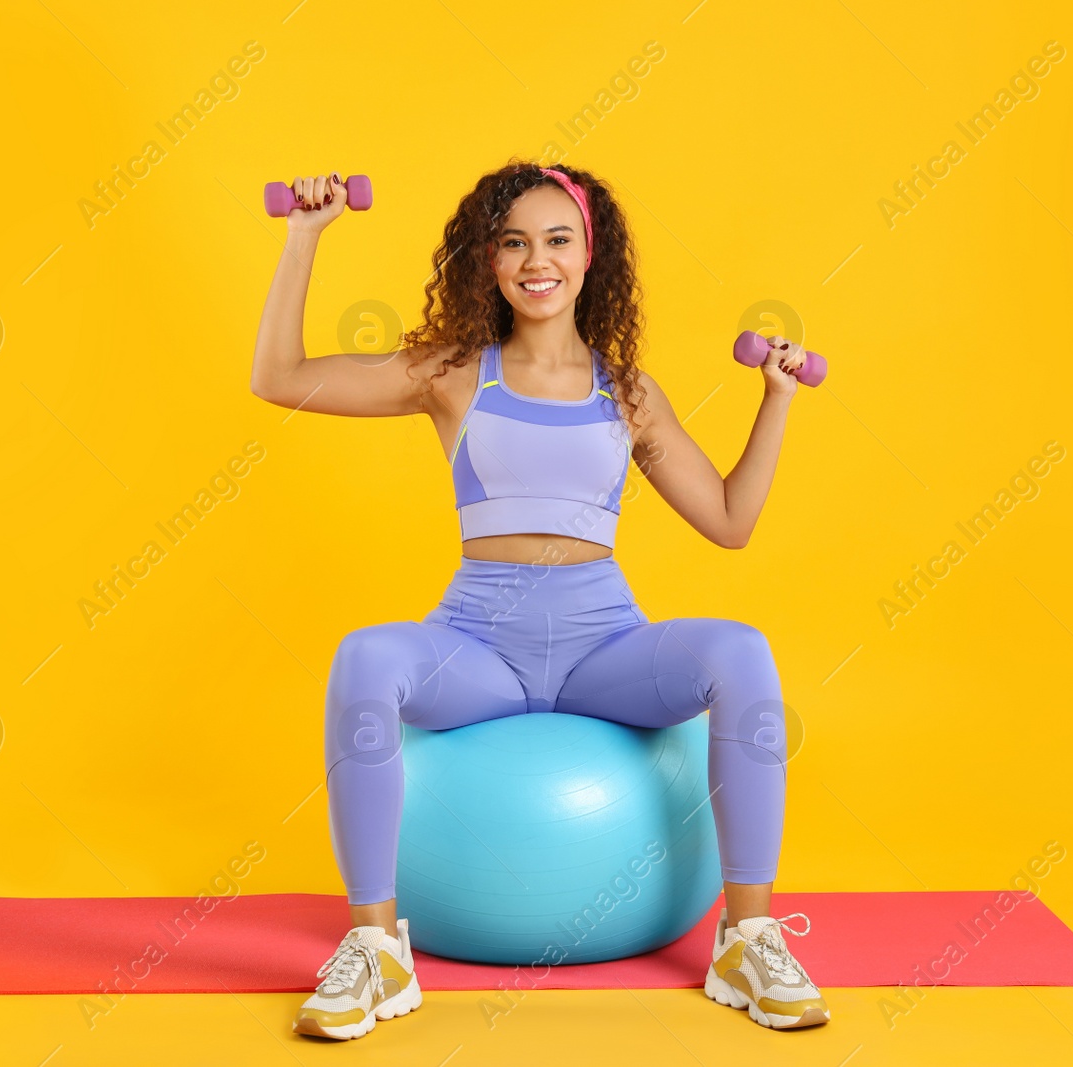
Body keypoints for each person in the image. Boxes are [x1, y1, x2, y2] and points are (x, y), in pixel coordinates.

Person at [250, 160, 827, 1040]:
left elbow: (730, 519)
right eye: (513, 241)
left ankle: (746, 937)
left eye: (558, 239)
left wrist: (777, 399)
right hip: (478, 644)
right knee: (364, 656)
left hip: (603, 647)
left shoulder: (627, 393)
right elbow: (280, 377)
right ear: (487, 260)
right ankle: (376, 951)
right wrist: (303, 239)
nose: (536, 259)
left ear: (592, 257)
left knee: (740, 650)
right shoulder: (450, 372)